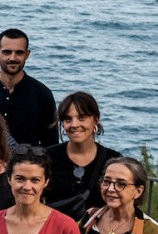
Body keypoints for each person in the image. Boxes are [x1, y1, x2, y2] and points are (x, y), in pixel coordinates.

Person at [0, 28, 58, 149]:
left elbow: (51, 144)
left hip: (29, 165)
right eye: (7, 52)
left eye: (19, 53)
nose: (13, 58)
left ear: (27, 54)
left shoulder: (42, 95)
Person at [47, 92, 122, 220]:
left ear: (96, 120)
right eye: (68, 119)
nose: (74, 124)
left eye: (82, 118)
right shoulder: (48, 157)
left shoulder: (113, 160)